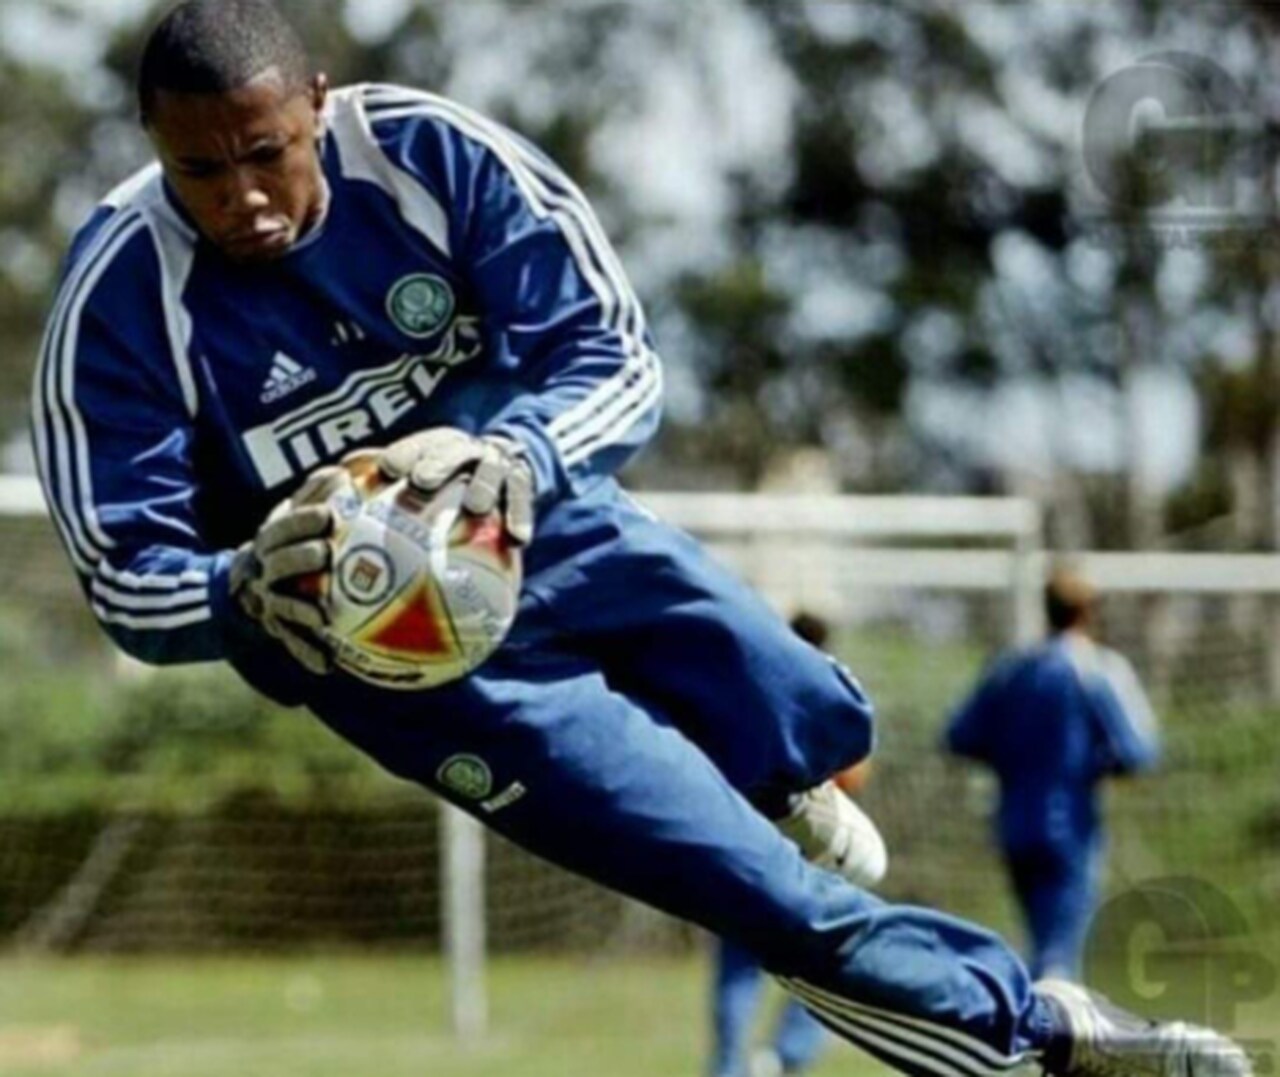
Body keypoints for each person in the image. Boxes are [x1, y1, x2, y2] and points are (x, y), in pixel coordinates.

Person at [30, 4, 1248, 1077]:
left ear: (315, 107)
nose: (239, 193)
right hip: (417, 667)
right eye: (199, 168)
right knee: (755, 894)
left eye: (264, 152)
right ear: (151, 146)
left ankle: (785, 777)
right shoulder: (122, 297)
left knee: (820, 716)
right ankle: (1043, 1041)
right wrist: (249, 591)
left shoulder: (433, 156)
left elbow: (612, 354)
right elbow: (127, 579)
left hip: (555, 526)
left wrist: (512, 458)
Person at [945, 569, 1161, 981]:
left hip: (1014, 821)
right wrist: (1091, 764)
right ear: (1089, 611)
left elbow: (959, 734)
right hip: (1071, 823)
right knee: (1060, 951)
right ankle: (1043, 1035)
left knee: (1041, 938)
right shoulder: (1095, 669)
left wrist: (1011, 756)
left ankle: (1028, 1027)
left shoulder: (1011, 669)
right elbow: (1137, 750)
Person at [709, 614, 886, 1077]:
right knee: (825, 959)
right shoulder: (831, 689)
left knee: (738, 965)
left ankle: (728, 1066)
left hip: (742, 843)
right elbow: (854, 775)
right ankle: (786, 1058)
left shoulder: (744, 684)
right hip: (810, 852)